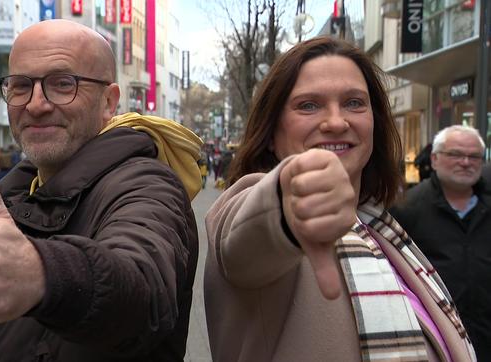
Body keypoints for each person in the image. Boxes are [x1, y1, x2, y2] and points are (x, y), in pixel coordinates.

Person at [0, 19, 201, 361]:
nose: (36, 104)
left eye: (63, 84)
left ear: (109, 102)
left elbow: (143, 291)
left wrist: (44, 275)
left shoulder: (146, 185)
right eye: (20, 85)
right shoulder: (16, 194)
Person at [204, 37, 476, 362]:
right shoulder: (248, 207)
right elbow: (243, 237)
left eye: (353, 103)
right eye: (308, 105)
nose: (336, 121)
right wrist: (287, 203)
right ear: (272, 133)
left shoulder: (378, 226)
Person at [390, 125, 490, 361]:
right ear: (434, 159)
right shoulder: (406, 209)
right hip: (438, 339)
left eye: (474, 156)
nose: (466, 162)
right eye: (455, 154)